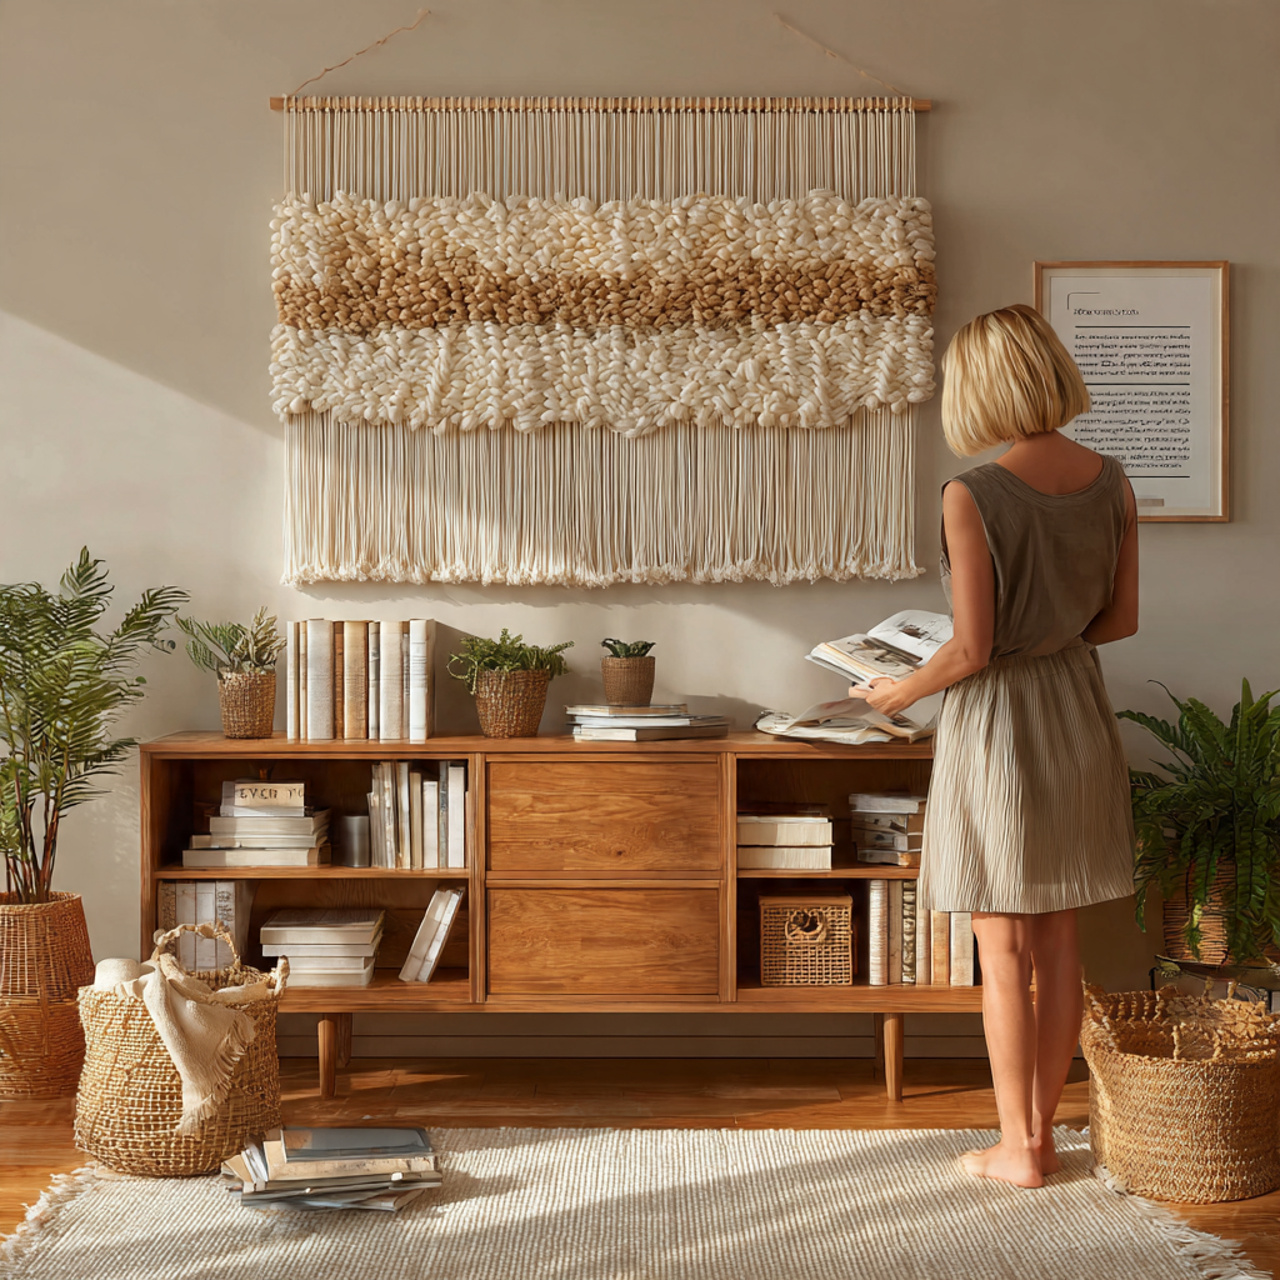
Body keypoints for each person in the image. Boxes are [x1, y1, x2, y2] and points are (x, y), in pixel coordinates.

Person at [863, 303, 1138, 1189]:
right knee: (1059, 942)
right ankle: (1044, 1138)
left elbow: (973, 649)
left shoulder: (970, 493)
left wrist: (898, 688)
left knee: (1002, 948)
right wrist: (1053, 626)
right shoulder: (1113, 480)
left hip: (999, 726)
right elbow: (1120, 622)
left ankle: (1019, 1147)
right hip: (1077, 710)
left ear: (980, 384)